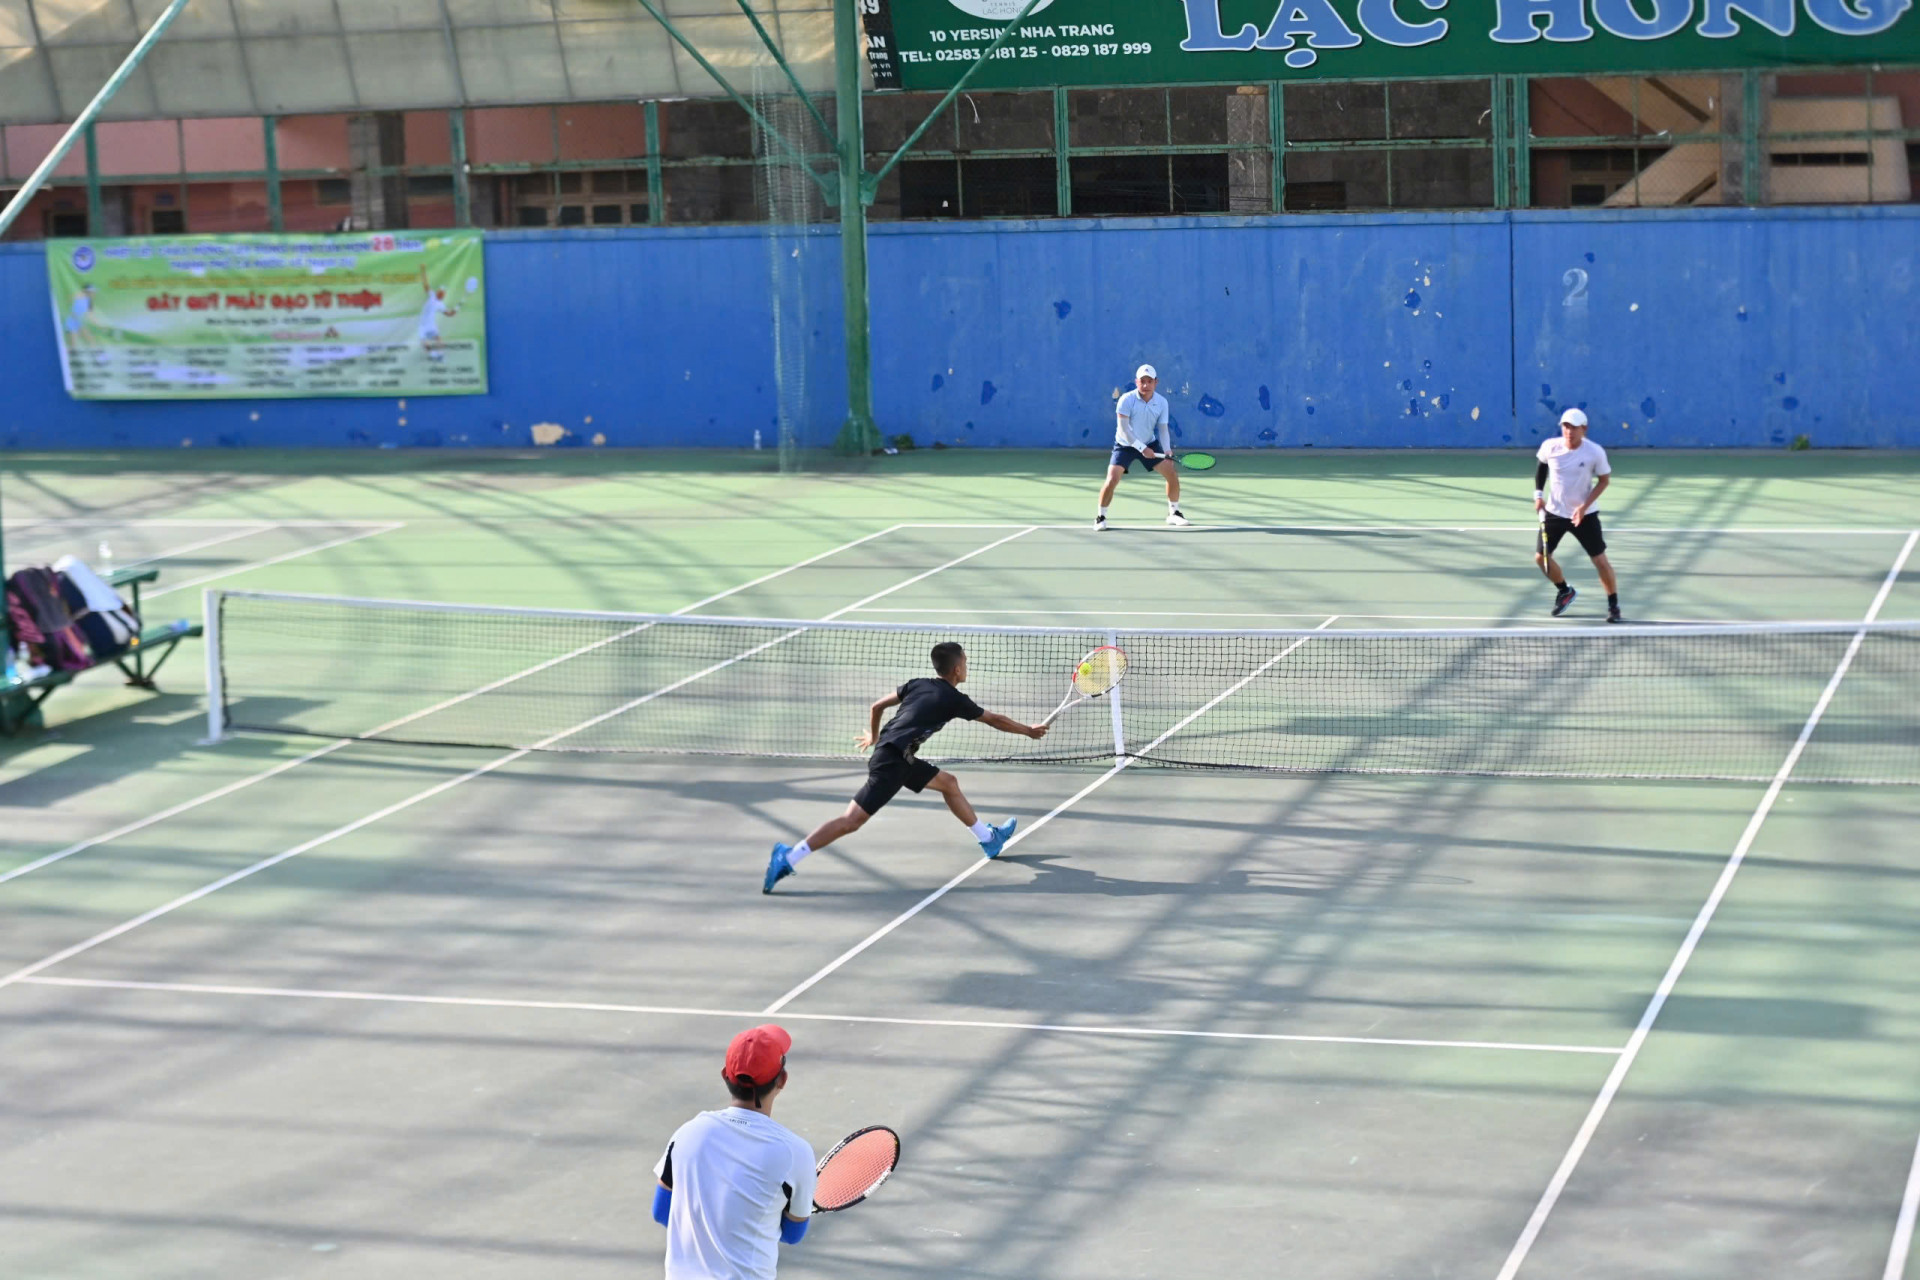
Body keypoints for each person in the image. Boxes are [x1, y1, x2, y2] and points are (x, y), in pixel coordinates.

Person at [763, 641, 1047, 893]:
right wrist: (1028, 731)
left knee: (948, 783)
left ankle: (989, 839)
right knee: (851, 821)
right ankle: (789, 857)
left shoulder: (917, 683)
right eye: (966, 662)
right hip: (892, 761)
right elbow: (994, 719)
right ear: (958, 670)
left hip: (896, 754)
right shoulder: (953, 699)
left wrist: (874, 736)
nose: (967, 666)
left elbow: (877, 707)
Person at [653, 1025, 817, 1280]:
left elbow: (662, 1212)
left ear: (724, 1075)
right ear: (782, 1080)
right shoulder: (796, 1154)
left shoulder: (687, 1133)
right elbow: (793, 1235)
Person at [1534, 408, 1622, 623]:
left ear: (1584, 429)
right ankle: (1565, 591)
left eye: (1574, 427)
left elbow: (1604, 481)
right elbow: (1541, 468)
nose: (1569, 431)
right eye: (1565, 426)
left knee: (1600, 561)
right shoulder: (1550, 446)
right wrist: (1538, 496)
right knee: (1541, 558)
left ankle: (1613, 605)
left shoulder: (1595, 452)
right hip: (1554, 513)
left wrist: (1584, 507)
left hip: (1585, 515)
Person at [1097, 364, 1188, 530]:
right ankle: (1100, 517)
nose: (1146, 385)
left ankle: (1174, 513)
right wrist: (1141, 448)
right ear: (1136, 382)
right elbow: (1124, 430)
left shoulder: (1162, 402)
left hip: (1150, 443)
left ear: (1156, 382)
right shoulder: (1126, 400)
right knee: (1112, 479)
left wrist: (1167, 449)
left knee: (1171, 473)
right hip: (1125, 445)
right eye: (1142, 381)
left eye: (1149, 381)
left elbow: (1163, 429)